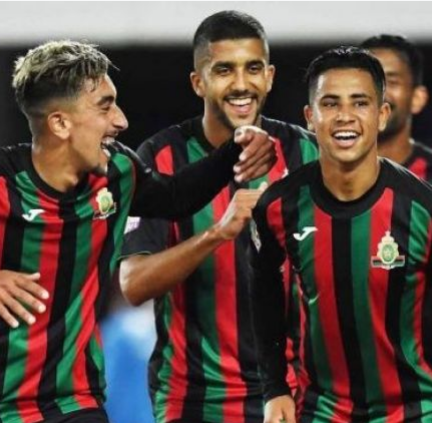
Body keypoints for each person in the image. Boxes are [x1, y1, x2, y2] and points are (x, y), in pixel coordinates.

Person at [0, 40, 275, 423]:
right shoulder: (5, 182)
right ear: (60, 123)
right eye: (105, 106)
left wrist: (236, 146)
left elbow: (175, 197)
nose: (121, 121)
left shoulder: (117, 173)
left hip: (73, 401)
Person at [119, 10, 318, 423]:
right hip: (195, 401)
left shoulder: (308, 155)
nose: (241, 84)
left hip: (295, 395)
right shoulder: (160, 157)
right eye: (224, 70)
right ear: (198, 82)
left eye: (253, 69)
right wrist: (217, 233)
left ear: (270, 77)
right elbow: (133, 285)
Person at [252, 46, 432, 423]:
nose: (345, 116)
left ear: (382, 115)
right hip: (323, 411)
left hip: (420, 411)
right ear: (310, 117)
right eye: (330, 103)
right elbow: (264, 296)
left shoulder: (426, 211)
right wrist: (274, 388)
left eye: (360, 103)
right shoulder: (279, 206)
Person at [361, 34, 432, 388]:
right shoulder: (312, 178)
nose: (378, 92)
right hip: (329, 399)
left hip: (427, 393)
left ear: (418, 97)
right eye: (368, 80)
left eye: (390, 80)